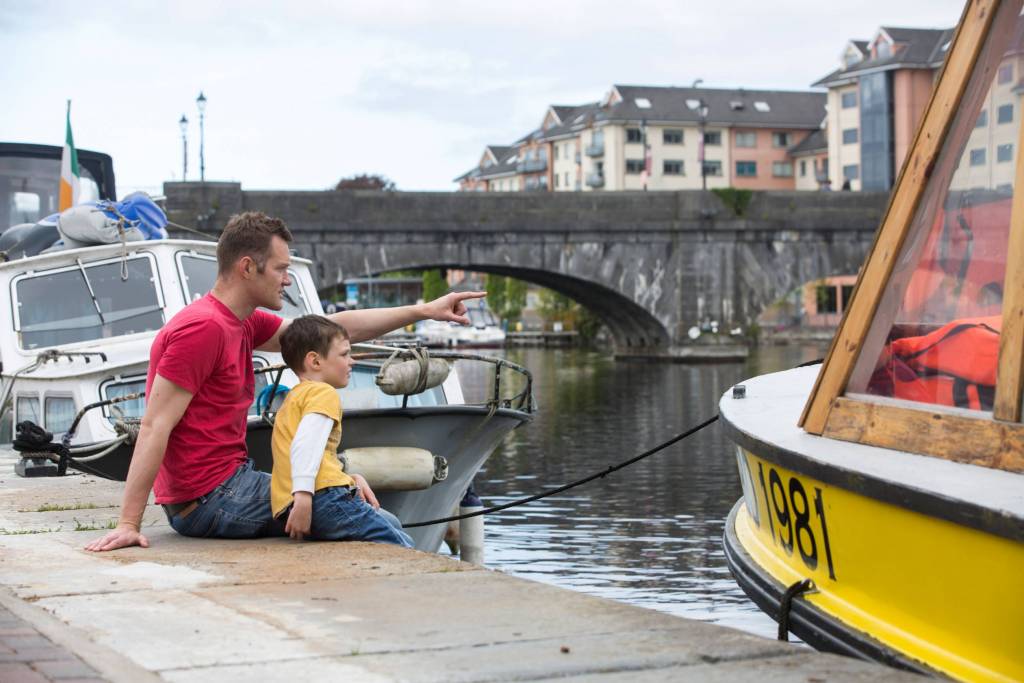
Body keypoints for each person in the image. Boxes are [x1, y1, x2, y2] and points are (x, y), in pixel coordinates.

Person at [85, 211, 482, 552]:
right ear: (247, 267)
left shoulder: (240, 321)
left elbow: (329, 332)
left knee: (373, 511)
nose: (287, 280)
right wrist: (128, 524)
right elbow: (156, 425)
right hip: (207, 500)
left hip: (229, 485)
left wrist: (424, 310)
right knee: (360, 514)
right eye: (280, 268)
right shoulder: (202, 329)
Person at [272, 315, 412, 546]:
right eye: (345, 354)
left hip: (287, 503)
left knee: (390, 526)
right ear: (315, 362)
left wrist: (348, 479)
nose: (352, 361)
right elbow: (305, 446)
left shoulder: (293, 398)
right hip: (323, 498)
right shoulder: (323, 393)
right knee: (400, 545)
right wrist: (304, 497)